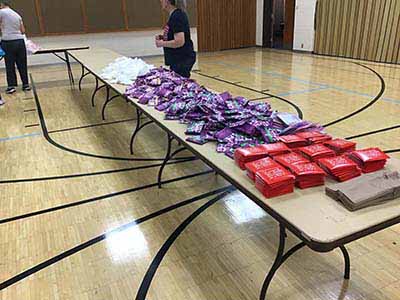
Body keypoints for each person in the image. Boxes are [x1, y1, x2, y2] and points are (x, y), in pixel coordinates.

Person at [156, 0, 196, 78]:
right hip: (178, 60)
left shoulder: (177, 16)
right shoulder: (175, 15)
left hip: (181, 60)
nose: (160, 2)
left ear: (167, 1)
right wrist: (163, 37)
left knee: (180, 86)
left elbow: (179, 41)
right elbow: (176, 35)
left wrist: (161, 43)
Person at [0, 1, 30, 94]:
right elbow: (23, 30)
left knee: (10, 64)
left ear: (1, 5)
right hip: (20, 41)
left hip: (8, 41)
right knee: (22, 64)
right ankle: (26, 85)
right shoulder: (17, 15)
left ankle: (11, 86)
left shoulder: (1, 12)